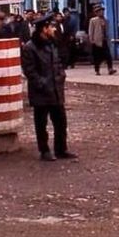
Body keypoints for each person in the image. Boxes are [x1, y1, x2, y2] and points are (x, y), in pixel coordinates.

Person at [21, 14, 76, 162]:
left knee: (61, 122)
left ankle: (61, 149)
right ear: (43, 29)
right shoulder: (30, 47)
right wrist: (43, 84)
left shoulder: (51, 44)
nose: (53, 29)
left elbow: (58, 64)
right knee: (41, 123)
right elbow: (29, 71)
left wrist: (61, 77)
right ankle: (44, 150)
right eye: (51, 27)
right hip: (41, 93)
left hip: (56, 90)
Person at [88, 5, 116, 76]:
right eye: (99, 11)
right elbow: (91, 31)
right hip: (96, 41)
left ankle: (110, 69)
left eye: (102, 11)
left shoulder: (106, 20)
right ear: (96, 13)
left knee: (108, 55)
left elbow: (106, 30)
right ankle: (97, 70)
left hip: (104, 40)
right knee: (97, 57)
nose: (101, 12)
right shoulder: (93, 20)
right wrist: (91, 40)